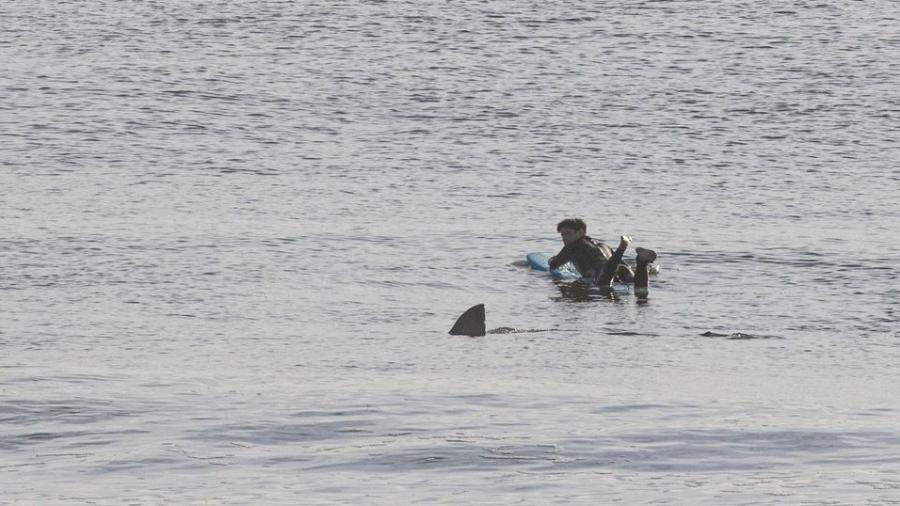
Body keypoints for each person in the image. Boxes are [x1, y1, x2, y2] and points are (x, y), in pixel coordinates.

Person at [548, 218, 657, 299]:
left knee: (603, 284)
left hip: (603, 274)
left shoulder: (571, 248)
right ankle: (642, 262)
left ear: (580, 232)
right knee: (639, 287)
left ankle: (622, 248)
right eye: (562, 235)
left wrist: (551, 260)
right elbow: (625, 265)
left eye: (568, 233)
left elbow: (554, 265)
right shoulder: (603, 246)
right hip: (621, 268)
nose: (564, 238)